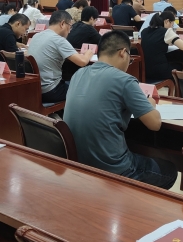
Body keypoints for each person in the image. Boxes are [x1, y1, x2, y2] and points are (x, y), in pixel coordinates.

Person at [64, 30, 177, 189]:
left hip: (77, 163)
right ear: (123, 53)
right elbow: (155, 124)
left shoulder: (78, 74)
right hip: (113, 170)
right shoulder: (124, 80)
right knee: (169, 170)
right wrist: (150, 103)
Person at [27, 10, 94, 103]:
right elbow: (82, 62)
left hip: (35, 89)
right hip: (52, 91)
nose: (69, 31)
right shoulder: (58, 40)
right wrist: (89, 53)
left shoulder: (36, 36)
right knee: (88, 88)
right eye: (70, 26)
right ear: (62, 24)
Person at [141, 10, 183, 81]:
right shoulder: (166, 31)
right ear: (167, 21)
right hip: (160, 71)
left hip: (145, 70)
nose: (171, 27)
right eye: (172, 24)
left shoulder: (144, 31)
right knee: (182, 65)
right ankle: (179, 86)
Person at [63, 7, 102, 81]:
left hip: (66, 64)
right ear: (91, 18)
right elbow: (102, 42)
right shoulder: (90, 29)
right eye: (96, 19)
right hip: (77, 67)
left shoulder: (74, 25)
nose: (95, 22)